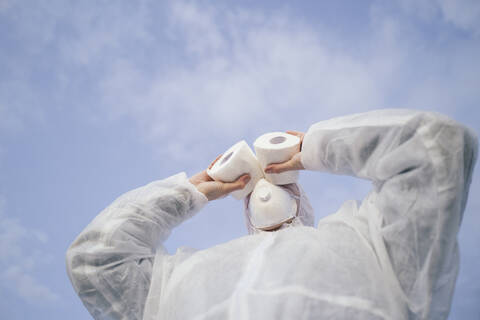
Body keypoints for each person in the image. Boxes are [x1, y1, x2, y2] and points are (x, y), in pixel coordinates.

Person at [66, 109, 477, 320]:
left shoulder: (371, 244)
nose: (265, 189)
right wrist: (194, 190)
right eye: (254, 192)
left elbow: (435, 147)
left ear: (303, 201)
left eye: (284, 184)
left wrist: (313, 148)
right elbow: (95, 259)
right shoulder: (174, 282)